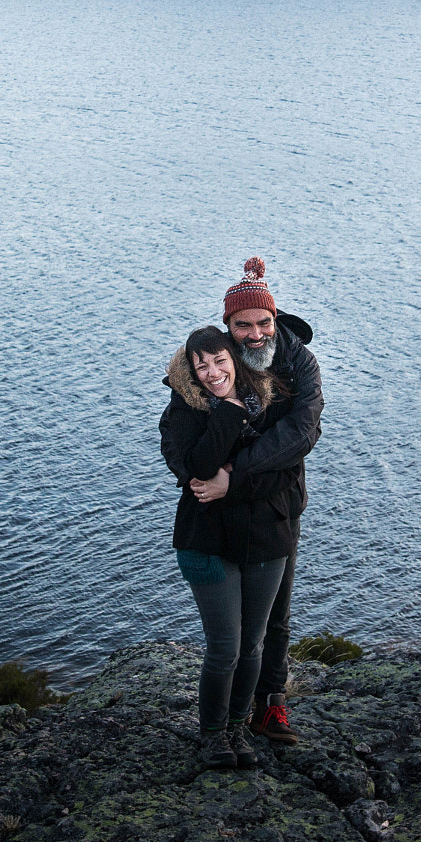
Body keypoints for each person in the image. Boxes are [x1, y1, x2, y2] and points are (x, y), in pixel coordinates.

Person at [170, 257, 323, 747]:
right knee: (238, 635)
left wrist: (232, 477)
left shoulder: (298, 364)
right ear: (227, 329)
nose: (255, 334)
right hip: (223, 519)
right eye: (243, 325)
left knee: (273, 615)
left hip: (279, 504)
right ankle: (230, 725)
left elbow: (302, 432)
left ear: (274, 320)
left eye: (263, 323)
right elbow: (182, 450)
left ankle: (270, 705)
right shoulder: (208, 373)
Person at [159, 324, 302, 768]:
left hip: (266, 540)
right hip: (207, 543)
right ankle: (214, 736)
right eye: (201, 366)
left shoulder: (273, 400)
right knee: (226, 647)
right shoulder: (183, 411)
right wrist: (227, 412)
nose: (212, 372)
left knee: (254, 644)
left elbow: (287, 469)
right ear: (191, 370)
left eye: (220, 361)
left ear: (234, 359)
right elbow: (198, 468)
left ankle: (240, 728)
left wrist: (233, 481)